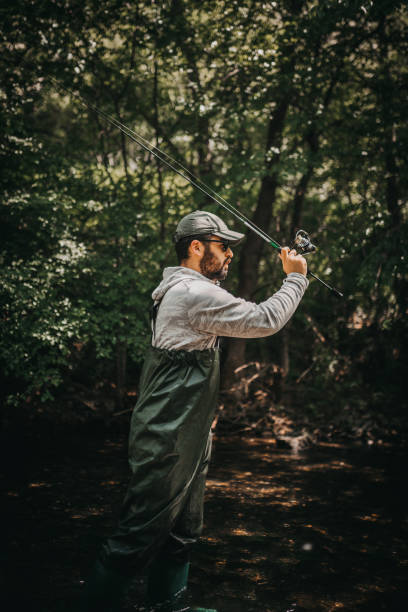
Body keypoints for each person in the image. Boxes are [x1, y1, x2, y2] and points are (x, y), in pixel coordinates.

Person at [77, 210, 308, 612]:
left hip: (188, 431)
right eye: (224, 246)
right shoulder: (191, 294)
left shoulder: (184, 288)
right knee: (136, 535)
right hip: (166, 436)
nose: (231, 255)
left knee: (183, 530)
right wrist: (296, 276)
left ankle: (169, 606)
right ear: (196, 247)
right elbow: (266, 319)